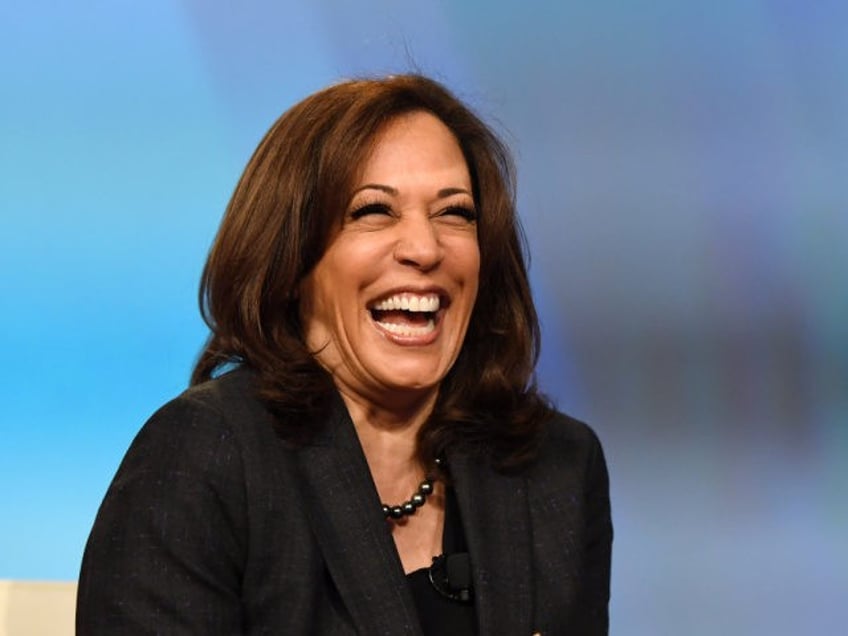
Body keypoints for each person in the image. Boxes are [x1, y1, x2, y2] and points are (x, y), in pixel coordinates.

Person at [76, 74, 612, 635]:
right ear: (291, 258)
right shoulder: (207, 457)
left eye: (454, 213)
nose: (425, 249)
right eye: (373, 210)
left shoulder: (556, 466)